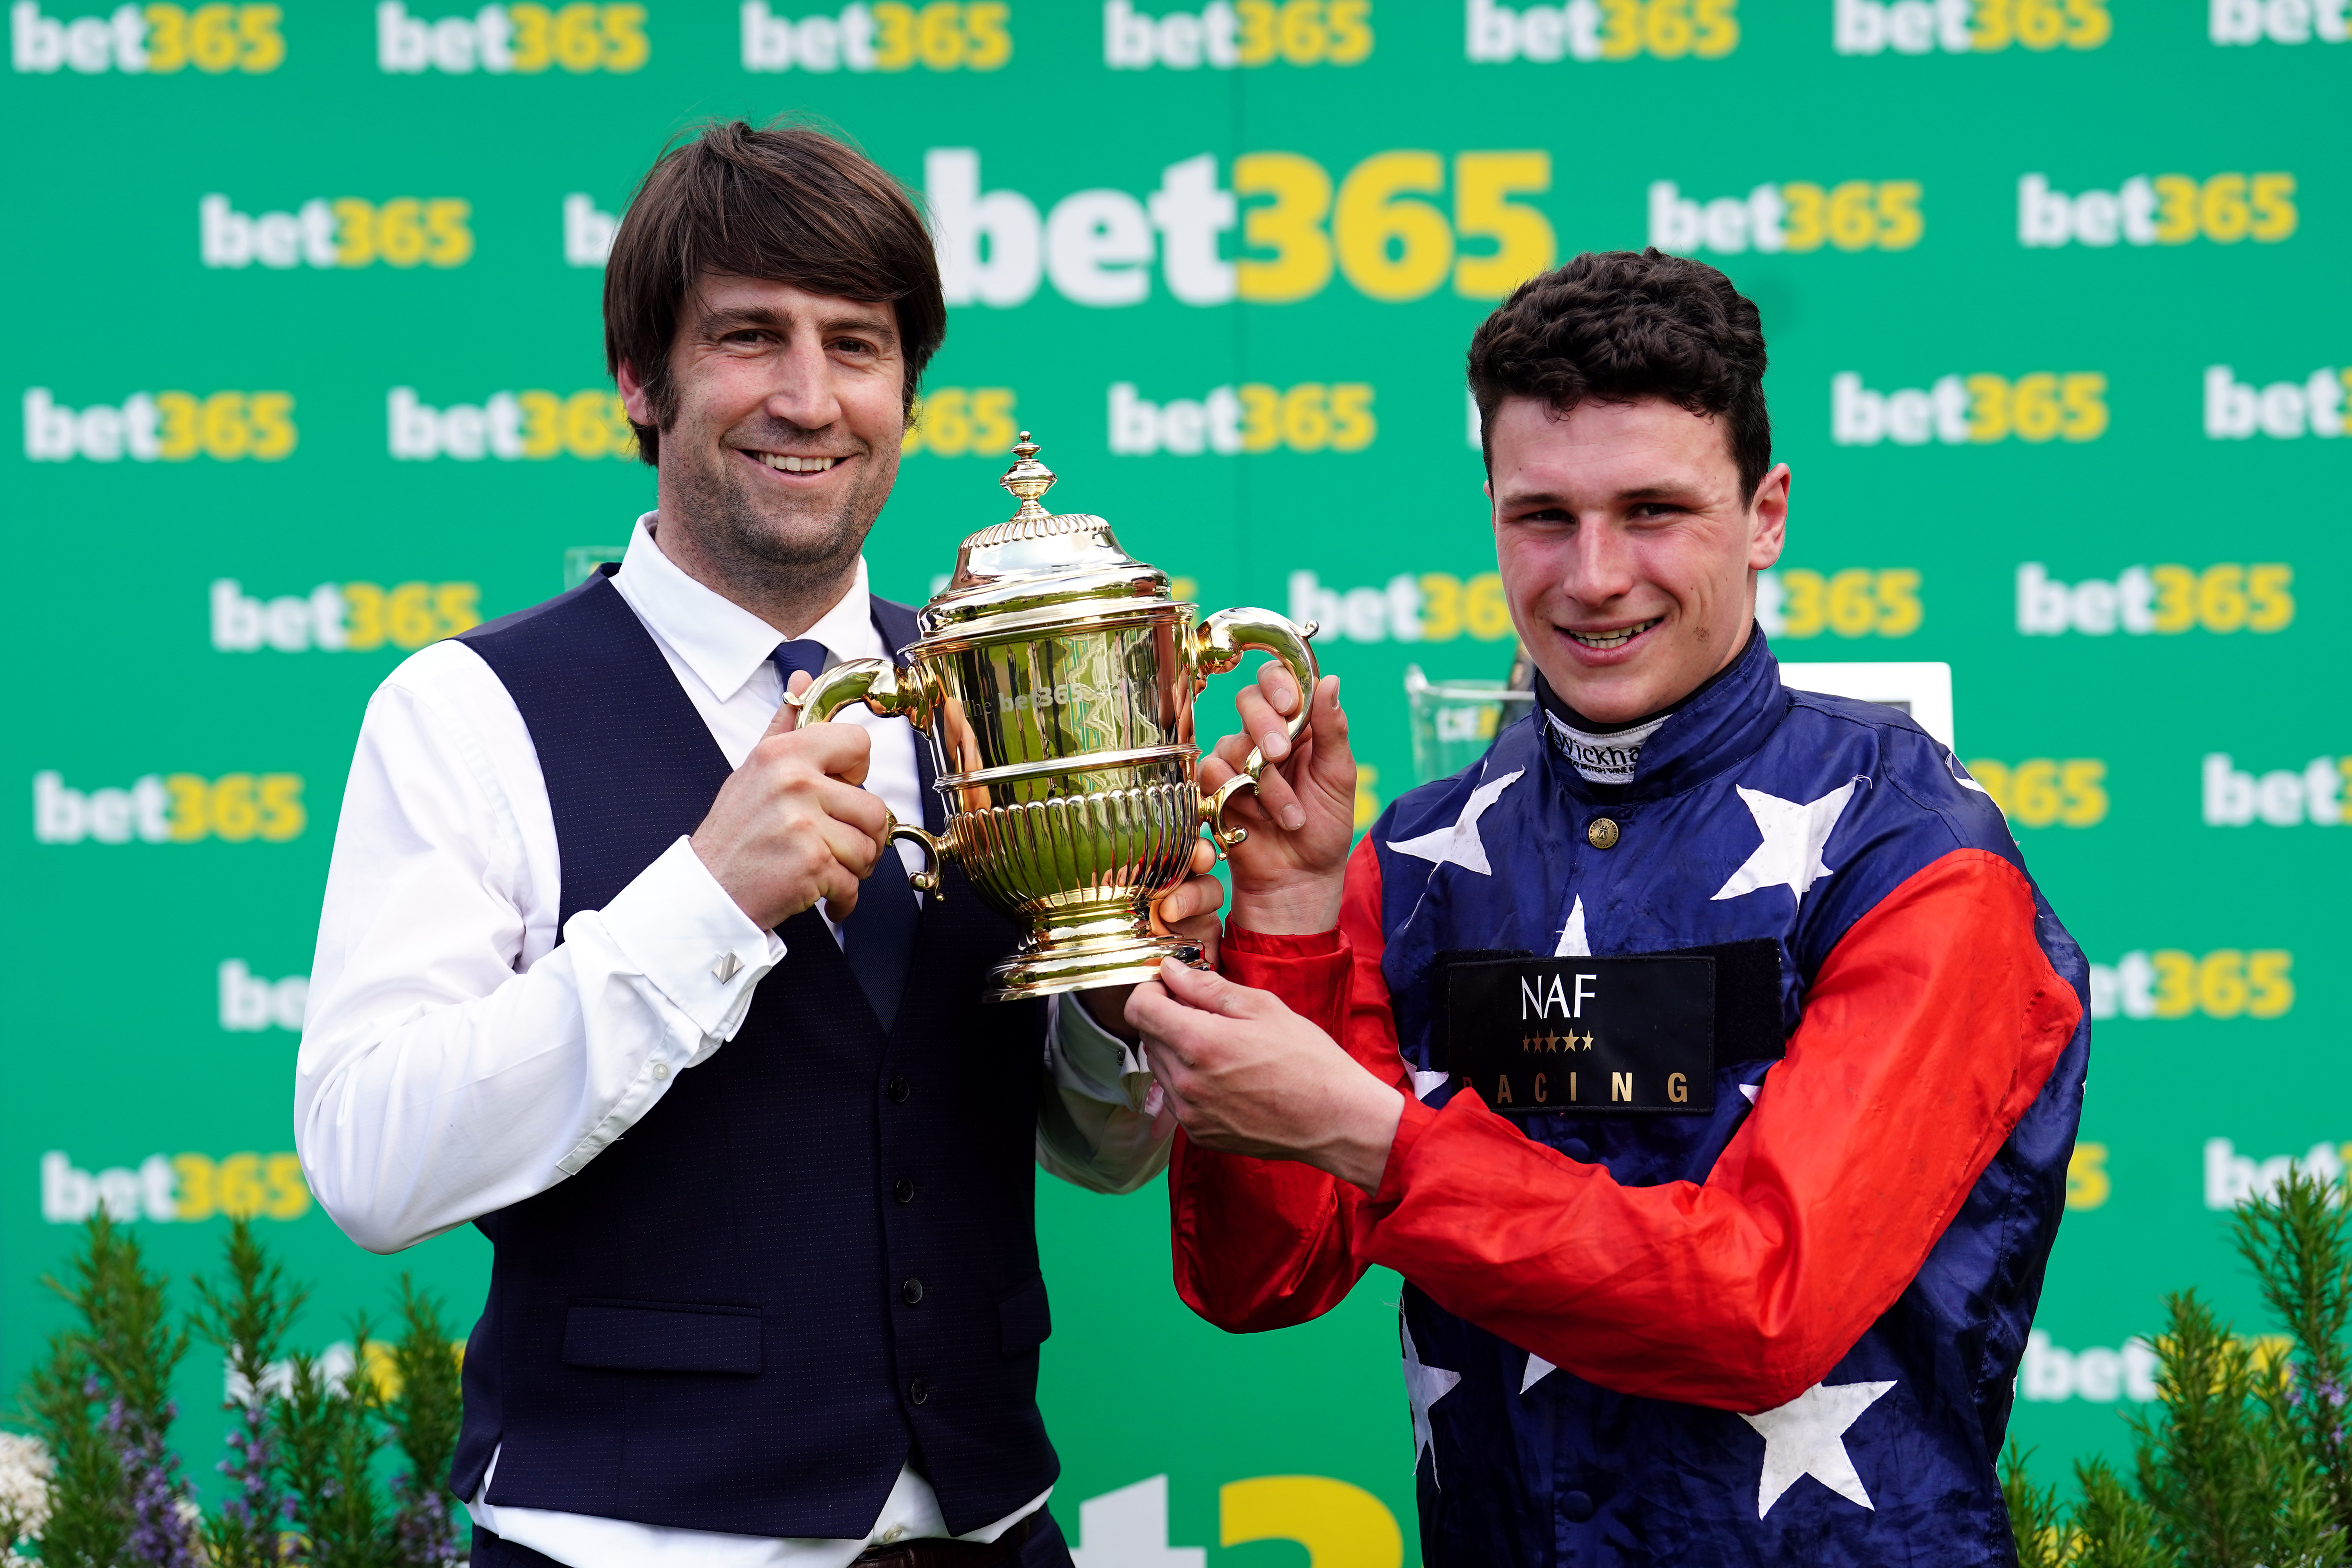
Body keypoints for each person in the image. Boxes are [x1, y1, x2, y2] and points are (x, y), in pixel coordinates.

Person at [296, 122, 1222, 1568]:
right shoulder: (466, 710)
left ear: (908, 393)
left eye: (857, 346)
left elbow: (1103, 1157)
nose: (810, 398)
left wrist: (1121, 1007)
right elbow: (370, 1162)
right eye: (748, 337)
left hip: (994, 1530)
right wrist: (704, 902)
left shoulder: (994, 686)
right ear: (638, 380)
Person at [1128, 249, 2091, 1564]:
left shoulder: (1919, 853)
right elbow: (1262, 1280)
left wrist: (1384, 1140)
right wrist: (1290, 915)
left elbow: (1761, 1305)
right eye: (1543, 517)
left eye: (1653, 512)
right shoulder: (1412, 854)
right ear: (1488, 510)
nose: (1591, 577)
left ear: (1766, 515)